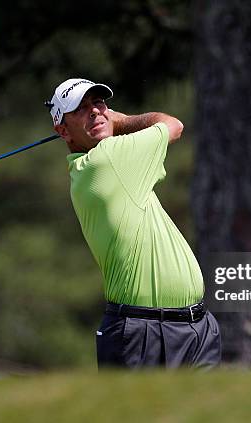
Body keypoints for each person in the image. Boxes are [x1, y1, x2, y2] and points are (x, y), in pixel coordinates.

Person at [46, 78, 221, 369]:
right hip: (144, 331)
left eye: (99, 103)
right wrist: (120, 119)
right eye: (80, 109)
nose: (95, 112)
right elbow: (173, 125)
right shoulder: (107, 159)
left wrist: (105, 121)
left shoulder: (97, 166)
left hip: (195, 326)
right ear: (63, 130)